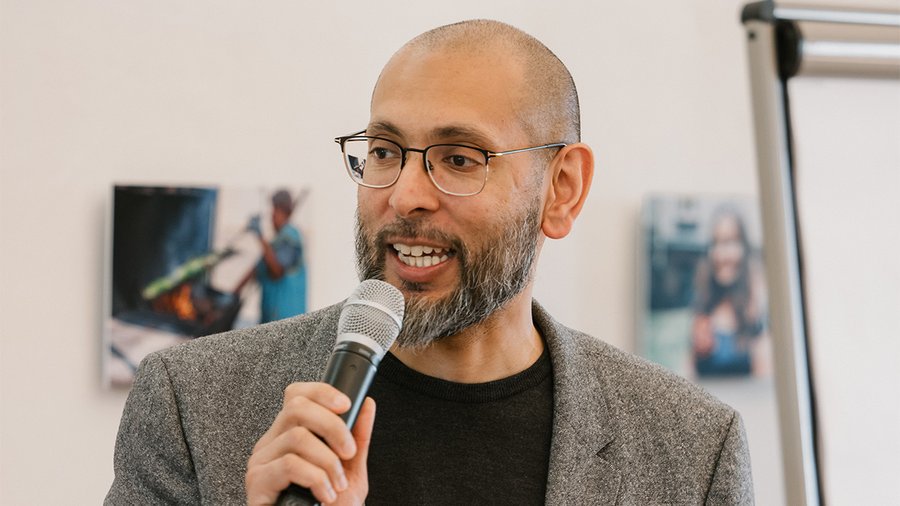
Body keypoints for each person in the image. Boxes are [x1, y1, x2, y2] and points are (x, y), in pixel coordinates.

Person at [107, 20, 753, 505]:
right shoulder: (189, 407)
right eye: (385, 151)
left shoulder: (693, 450)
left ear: (561, 190)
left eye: (459, 159)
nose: (405, 195)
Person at [692, 205, 769, 377]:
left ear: (745, 247)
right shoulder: (703, 304)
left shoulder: (757, 307)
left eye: (730, 242)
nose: (721, 255)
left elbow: (764, 377)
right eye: (716, 243)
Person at [237, 189, 308, 323]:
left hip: (286, 320)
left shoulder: (290, 236)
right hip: (272, 319)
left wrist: (260, 236)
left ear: (281, 211)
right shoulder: (275, 242)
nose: (272, 217)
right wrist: (232, 295)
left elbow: (277, 270)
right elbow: (255, 270)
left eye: (274, 212)